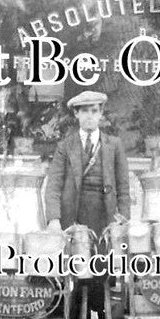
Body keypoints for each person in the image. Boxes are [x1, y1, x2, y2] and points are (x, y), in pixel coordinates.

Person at [44, 91, 131, 235]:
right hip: (73, 217)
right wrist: (54, 219)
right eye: (84, 111)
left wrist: (124, 219)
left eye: (94, 111)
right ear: (76, 113)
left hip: (106, 218)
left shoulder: (114, 145)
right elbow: (54, 186)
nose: (90, 116)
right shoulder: (65, 146)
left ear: (100, 113)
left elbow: (123, 187)